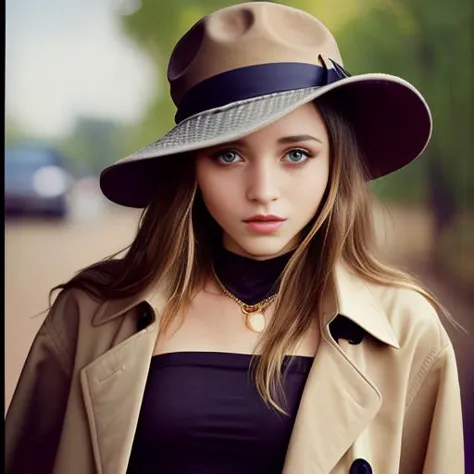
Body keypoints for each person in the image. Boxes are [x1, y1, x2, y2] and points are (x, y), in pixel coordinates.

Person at [5, 2, 465, 473]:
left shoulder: (406, 330)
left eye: (297, 155)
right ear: (191, 168)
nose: (263, 192)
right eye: (228, 155)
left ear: (335, 163)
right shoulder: (91, 314)